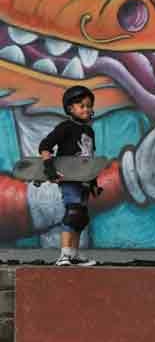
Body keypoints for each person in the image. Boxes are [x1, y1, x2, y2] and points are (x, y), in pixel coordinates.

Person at [38, 85, 99, 267]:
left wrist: (93, 180)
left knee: (80, 218)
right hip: (68, 178)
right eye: (81, 105)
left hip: (83, 179)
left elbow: (89, 157)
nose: (86, 109)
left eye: (88, 105)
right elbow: (45, 146)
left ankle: (74, 254)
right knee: (73, 213)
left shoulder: (89, 131)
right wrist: (49, 167)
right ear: (70, 109)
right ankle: (64, 255)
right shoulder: (66, 127)